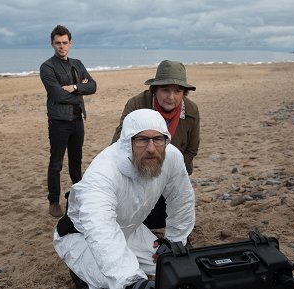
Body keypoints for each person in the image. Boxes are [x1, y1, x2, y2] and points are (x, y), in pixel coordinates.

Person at [53, 109, 195, 289]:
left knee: (172, 266)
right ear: (128, 142)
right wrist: (131, 281)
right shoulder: (103, 172)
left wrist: (174, 241)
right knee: (116, 280)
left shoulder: (171, 156)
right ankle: (81, 275)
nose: (151, 148)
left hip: (131, 230)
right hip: (83, 236)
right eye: (142, 139)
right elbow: (100, 229)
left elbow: (181, 199)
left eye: (158, 139)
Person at [111, 60, 199, 229]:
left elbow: (191, 150)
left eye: (178, 91)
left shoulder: (192, 110)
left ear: (184, 93)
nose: (171, 97)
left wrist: (171, 174)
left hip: (168, 171)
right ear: (155, 89)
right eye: (165, 89)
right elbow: (119, 143)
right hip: (137, 169)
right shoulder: (136, 104)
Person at [40, 25, 97, 217]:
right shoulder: (47, 67)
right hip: (59, 122)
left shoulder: (77, 63)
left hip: (77, 120)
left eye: (65, 43)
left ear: (70, 43)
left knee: (76, 161)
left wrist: (73, 87)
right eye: (58, 43)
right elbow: (56, 95)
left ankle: (78, 195)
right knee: (56, 163)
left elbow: (93, 86)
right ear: (52, 44)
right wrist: (81, 90)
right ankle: (54, 201)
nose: (61, 46)